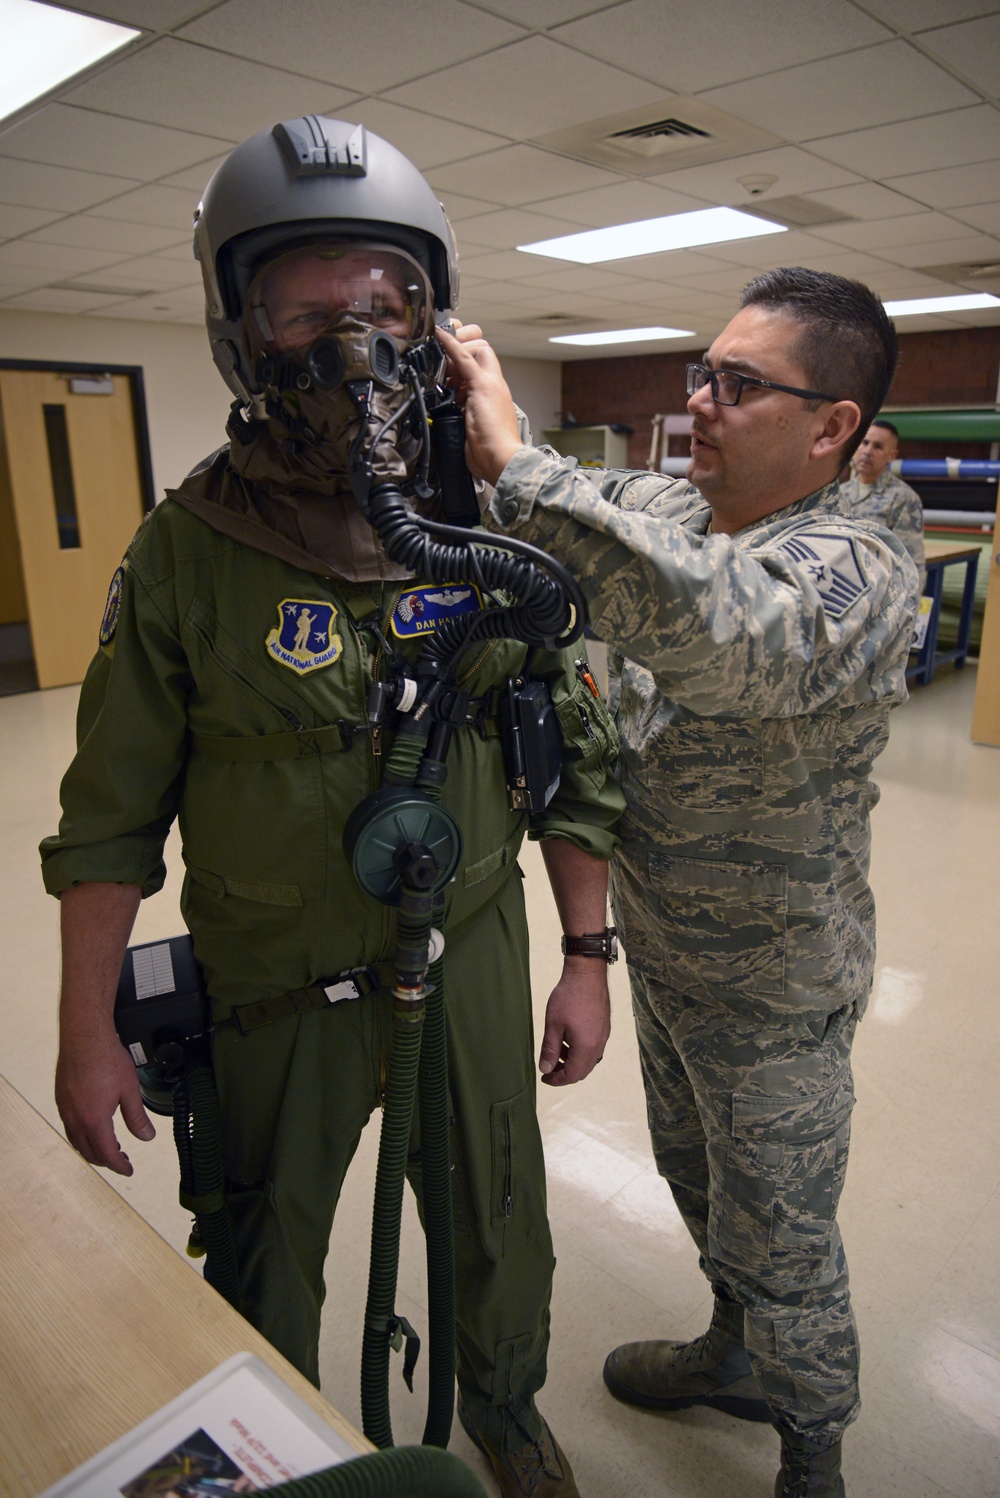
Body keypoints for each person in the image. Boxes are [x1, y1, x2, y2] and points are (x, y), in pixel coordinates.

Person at [40, 116, 625, 1498]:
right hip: (273, 972)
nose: (354, 333)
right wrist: (81, 1032)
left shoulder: (501, 534)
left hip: (469, 936)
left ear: (436, 315)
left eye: (388, 298)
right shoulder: (186, 551)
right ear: (240, 329)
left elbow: (572, 757)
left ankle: (504, 1399)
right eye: (306, 306)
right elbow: (108, 816)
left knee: (494, 1199)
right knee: (263, 1234)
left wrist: (587, 954)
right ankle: (276, 1448)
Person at [437, 266, 921, 1498]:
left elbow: (727, 631)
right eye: (702, 374)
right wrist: (488, 418)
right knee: (697, 1180)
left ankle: (812, 1451)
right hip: (667, 952)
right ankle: (732, 1350)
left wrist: (524, 475)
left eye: (740, 384)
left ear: (833, 428)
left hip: (773, 984)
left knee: (788, 1241)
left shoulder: (855, 567)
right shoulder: (693, 503)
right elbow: (599, 507)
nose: (701, 402)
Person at [840, 419, 924, 581]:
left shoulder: (904, 498)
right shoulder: (840, 493)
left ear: (891, 456)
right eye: (864, 443)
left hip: (876, 590)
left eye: (878, 447)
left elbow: (911, 562)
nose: (867, 451)